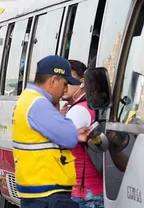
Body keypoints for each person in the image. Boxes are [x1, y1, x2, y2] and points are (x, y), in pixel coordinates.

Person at [12, 55, 91, 208]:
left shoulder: (28, 99)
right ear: (53, 81)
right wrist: (64, 119)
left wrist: (74, 133)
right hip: (46, 193)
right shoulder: (39, 104)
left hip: (38, 189)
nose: (65, 90)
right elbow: (68, 137)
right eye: (65, 84)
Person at [61, 60, 104, 207]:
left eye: (69, 81)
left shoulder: (78, 110)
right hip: (93, 189)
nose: (63, 86)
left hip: (83, 193)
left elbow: (60, 142)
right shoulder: (90, 105)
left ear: (82, 82)